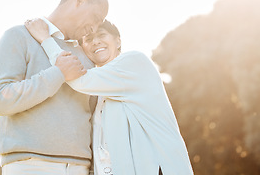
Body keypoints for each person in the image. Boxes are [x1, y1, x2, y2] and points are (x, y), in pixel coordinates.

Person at [24, 18, 194, 175]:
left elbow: (77, 79)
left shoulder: (134, 62)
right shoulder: (98, 90)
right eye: (88, 39)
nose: (95, 41)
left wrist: (45, 39)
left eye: (102, 35)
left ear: (118, 41)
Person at [0, 0, 109, 175]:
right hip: (29, 165)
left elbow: (96, 119)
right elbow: (1, 99)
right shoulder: (18, 36)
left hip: (81, 168)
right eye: (95, 18)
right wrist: (58, 73)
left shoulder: (87, 57)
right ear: (80, 0)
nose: (94, 29)